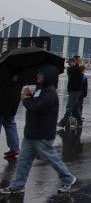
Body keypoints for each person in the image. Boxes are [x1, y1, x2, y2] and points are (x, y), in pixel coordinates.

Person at [0, 65, 76, 195]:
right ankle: (18, 185)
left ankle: (68, 178)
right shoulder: (41, 90)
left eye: (40, 74)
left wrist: (26, 99)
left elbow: (37, 108)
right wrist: (30, 96)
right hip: (32, 132)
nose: (37, 76)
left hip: (42, 134)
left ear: (47, 77)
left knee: (51, 158)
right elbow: (37, 103)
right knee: (24, 159)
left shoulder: (50, 92)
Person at [0, 67, 21, 159]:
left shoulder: (3, 68)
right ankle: (14, 147)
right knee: (10, 123)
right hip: (13, 102)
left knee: (9, 123)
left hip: (2, 101)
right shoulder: (20, 71)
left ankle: (14, 148)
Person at [58, 55, 83, 129]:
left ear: (74, 62)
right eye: (68, 63)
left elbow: (74, 77)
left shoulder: (76, 69)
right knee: (75, 107)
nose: (69, 64)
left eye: (70, 63)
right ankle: (79, 121)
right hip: (74, 90)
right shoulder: (73, 69)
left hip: (75, 90)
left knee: (69, 107)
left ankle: (63, 122)